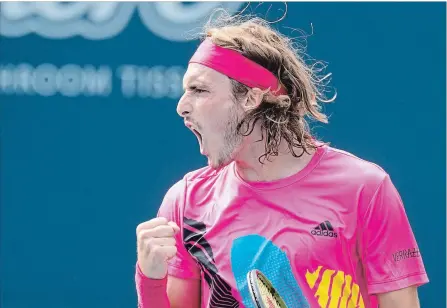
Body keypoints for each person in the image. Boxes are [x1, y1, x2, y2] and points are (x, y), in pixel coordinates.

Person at [135, 12, 428, 308]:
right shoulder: (186, 202)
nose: (181, 107)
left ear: (250, 98)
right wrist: (150, 278)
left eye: (199, 90)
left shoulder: (366, 189)